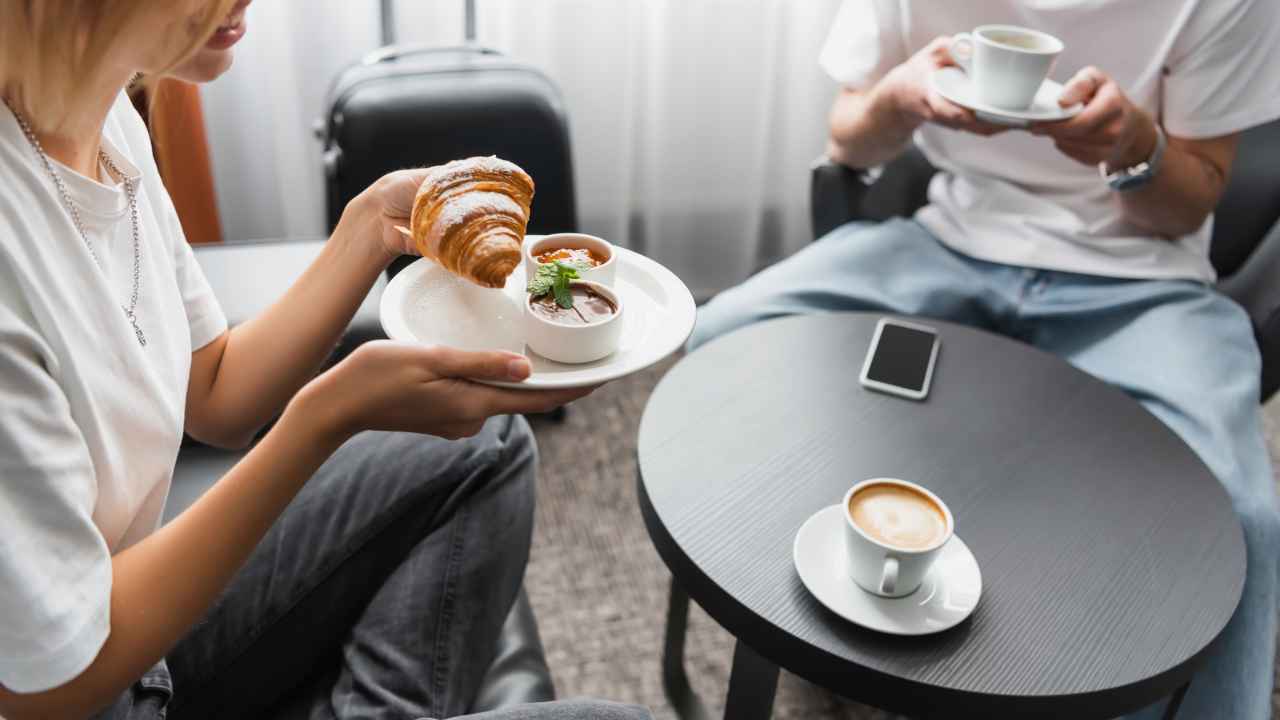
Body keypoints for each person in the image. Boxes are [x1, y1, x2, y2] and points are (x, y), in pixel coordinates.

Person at [0, 2, 651, 719]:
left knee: (488, 446)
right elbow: (46, 688)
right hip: (89, 684)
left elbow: (213, 392)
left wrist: (370, 226)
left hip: (139, 638)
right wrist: (323, 418)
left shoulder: (100, 116)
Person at [692, 1, 1280, 717]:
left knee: (1239, 518)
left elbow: (1188, 208)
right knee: (726, 335)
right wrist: (899, 99)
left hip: (1140, 280)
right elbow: (848, 138)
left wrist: (1133, 144)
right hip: (949, 243)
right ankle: (806, 597)